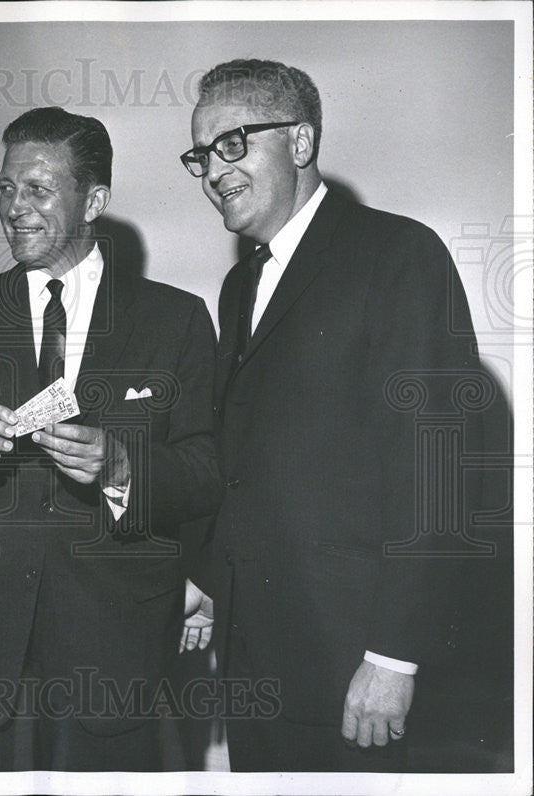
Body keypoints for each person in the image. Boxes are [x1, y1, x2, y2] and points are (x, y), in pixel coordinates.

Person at [179, 59, 501, 771]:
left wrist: (395, 657)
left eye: (233, 143)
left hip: (357, 675)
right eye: (201, 154)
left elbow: (438, 470)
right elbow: (248, 467)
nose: (212, 170)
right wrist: (208, 577)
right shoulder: (241, 286)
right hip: (259, 672)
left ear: (299, 143)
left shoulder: (397, 252)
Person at [0, 106, 222, 770]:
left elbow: (207, 469)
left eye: (38, 189)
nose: (15, 208)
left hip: (119, 643)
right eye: (6, 187)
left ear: (94, 200)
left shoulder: (176, 320)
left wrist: (123, 467)